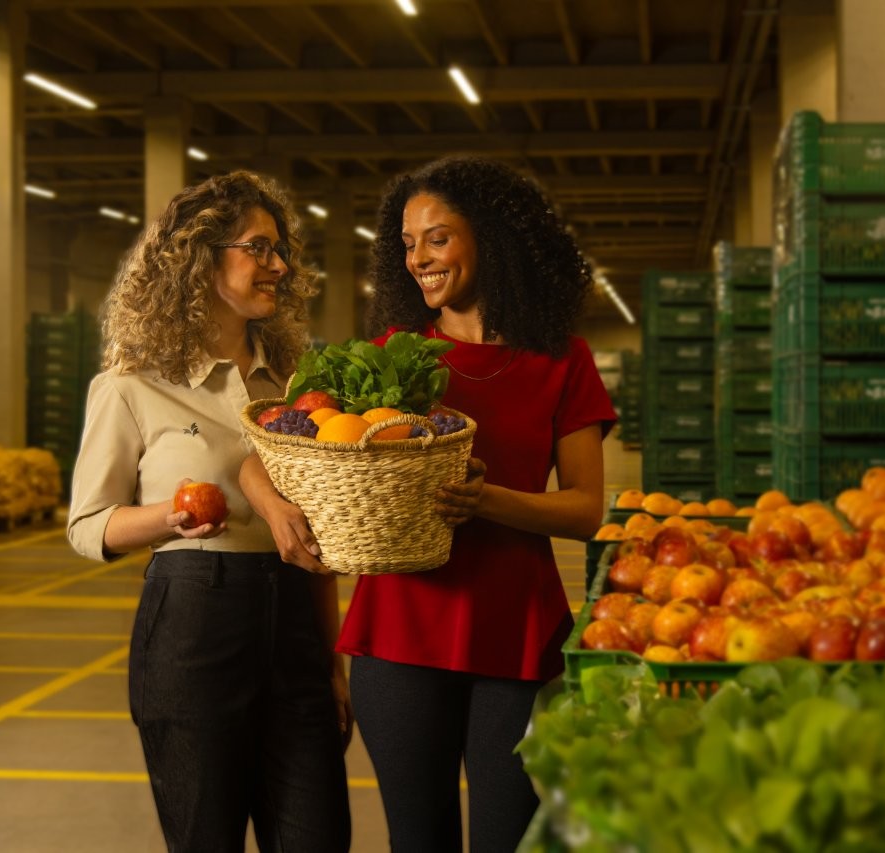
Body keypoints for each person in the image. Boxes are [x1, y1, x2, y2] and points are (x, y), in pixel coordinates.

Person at [66, 170, 352, 853]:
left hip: (294, 626)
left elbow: (313, 536)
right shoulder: (133, 384)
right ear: (202, 258)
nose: (279, 266)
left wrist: (331, 663)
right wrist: (171, 517)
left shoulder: (293, 388)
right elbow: (87, 526)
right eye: (259, 248)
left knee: (319, 837)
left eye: (280, 251)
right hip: (193, 625)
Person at [346, 155, 616, 852]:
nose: (418, 259)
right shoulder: (392, 359)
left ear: (490, 238)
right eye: (407, 243)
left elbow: (586, 508)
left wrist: (486, 499)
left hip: (518, 635)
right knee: (418, 840)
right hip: (400, 630)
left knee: (510, 840)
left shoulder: (564, 360)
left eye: (437, 237)